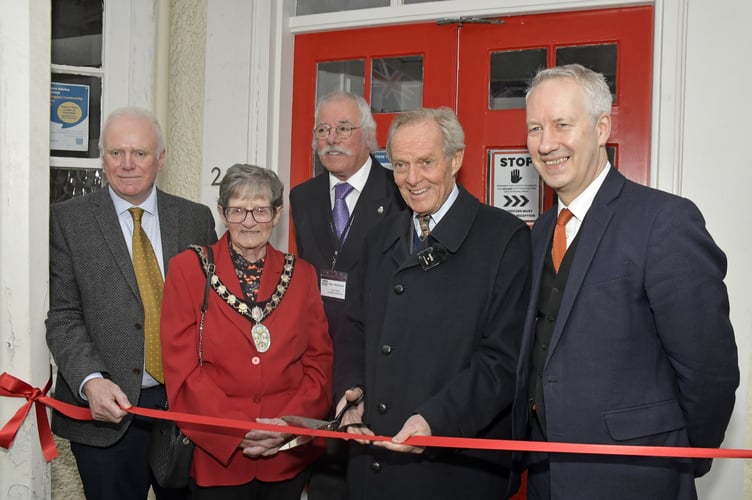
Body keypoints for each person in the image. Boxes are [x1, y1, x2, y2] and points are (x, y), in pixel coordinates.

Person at [513, 64, 739, 500]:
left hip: (638, 477)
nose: (545, 144)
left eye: (562, 125)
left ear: (601, 128)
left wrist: (677, 456)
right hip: (545, 478)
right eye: (535, 128)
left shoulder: (664, 221)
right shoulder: (540, 232)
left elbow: (709, 371)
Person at [332, 107, 532, 499]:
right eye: (401, 164)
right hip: (372, 469)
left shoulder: (504, 239)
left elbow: (503, 361)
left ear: (455, 159)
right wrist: (350, 392)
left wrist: (436, 420)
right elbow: (352, 326)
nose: (412, 178)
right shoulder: (377, 238)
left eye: (426, 162)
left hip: (454, 470)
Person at [46, 107, 218, 500]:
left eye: (139, 153)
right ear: (102, 157)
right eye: (115, 153)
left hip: (185, 408)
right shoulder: (68, 221)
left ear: (160, 158)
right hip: (105, 412)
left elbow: (215, 311)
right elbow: (63, 316)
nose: (127, 164)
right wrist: (90, 381)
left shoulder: (195, 219)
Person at [160, 163, 333, 499]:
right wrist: (238, 429)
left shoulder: (302, 275)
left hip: (285, 455)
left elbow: (319, 361)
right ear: (223, 214)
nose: (249, 222)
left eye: (260, 210)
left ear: (278, 213)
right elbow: (182, 370)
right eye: (238, 210)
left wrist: (287, 425)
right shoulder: (188, 270)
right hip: (217, 457)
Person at [289, 91, 406, 499]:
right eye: (323, 129)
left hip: (376, 359)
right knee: (324, 480)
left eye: (343, 128)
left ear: (369, 137)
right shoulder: (301, 197)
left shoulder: (399, 193)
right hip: (316, 359)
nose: (331, 138)